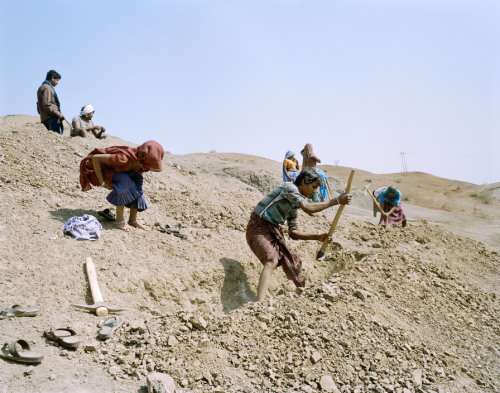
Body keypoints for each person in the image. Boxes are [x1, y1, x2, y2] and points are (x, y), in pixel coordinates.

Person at [246, 167, 352, 301]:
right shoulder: (289, 188)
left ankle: (298, 295)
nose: (314, 192)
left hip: (272, 230)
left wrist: (317, 237)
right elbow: (308, 208)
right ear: (303, 182)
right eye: (313, 187)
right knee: (271, 261)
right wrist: (336, 201)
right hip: (257, 226)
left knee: (293, 262)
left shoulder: (295, 205)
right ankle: (259, 303)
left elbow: (293, 232)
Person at [79, 141, 164, 230]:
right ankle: (119, 221)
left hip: (116, 173)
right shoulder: (123, 159)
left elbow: (137, 181)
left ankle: (132, 220)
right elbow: (95, 158)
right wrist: (102, 182)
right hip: (97, 172)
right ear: (144, 158)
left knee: (137, 183)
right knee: (124, 180)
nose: (148, 168)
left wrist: (136, 187)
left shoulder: (142, 165)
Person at [36, 70, 65, 135]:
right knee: (56, 137)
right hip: (51, 117)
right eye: (57, 80)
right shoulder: (47, 88)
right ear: (52, 78)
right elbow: (47, 104)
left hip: (45, 117)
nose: (57, 82)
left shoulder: (41, 87)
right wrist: (58, 114)